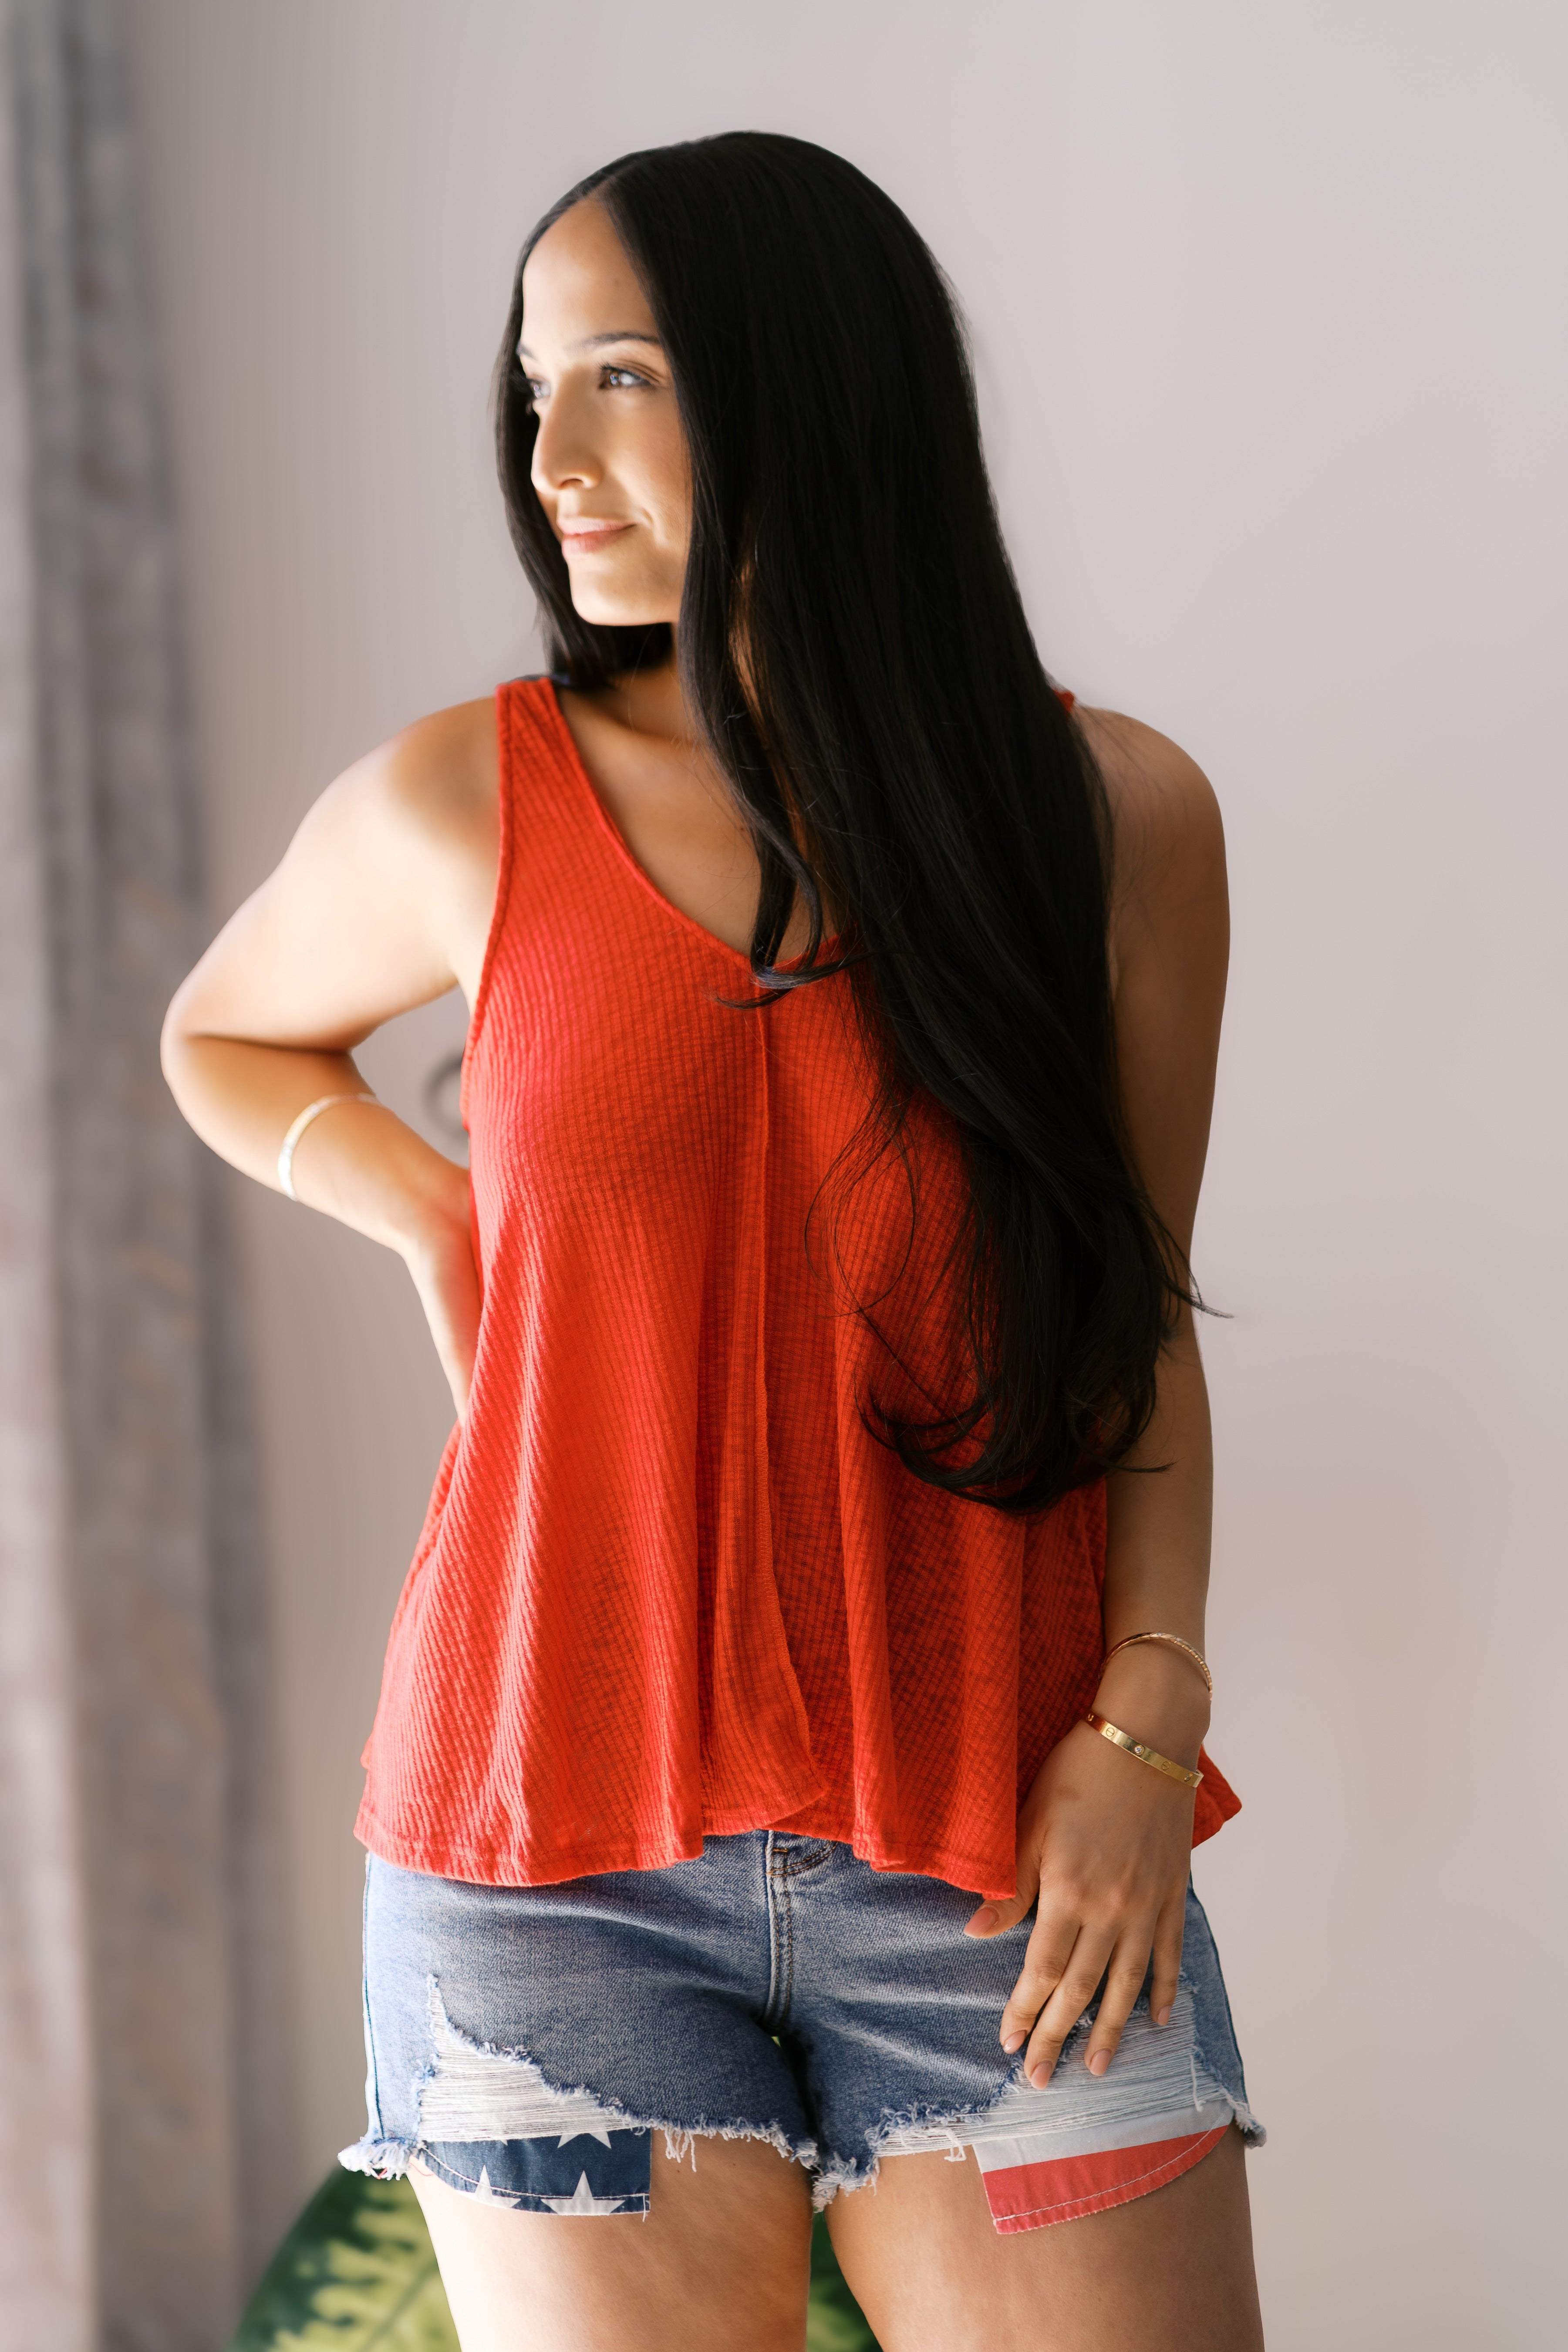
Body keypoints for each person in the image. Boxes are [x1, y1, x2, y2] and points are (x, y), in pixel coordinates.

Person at [163, 132, 1265, 2352]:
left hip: (999, 1853)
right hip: (540, 1859)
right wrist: (430, 1203)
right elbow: (222, 1031)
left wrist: (1145, 1729)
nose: (548, 453)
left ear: (809, 395)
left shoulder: (1108, 820)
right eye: (534, 383)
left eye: (624, 379)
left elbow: (1123, 1313)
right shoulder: (460, 799)